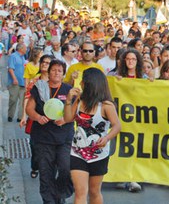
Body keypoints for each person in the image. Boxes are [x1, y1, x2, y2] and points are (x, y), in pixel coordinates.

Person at [62, 68, 121, 203]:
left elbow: (117, 126)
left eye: (84, 80)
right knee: (80, 192)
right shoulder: (79, 100)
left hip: (99, 154)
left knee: (94, 192)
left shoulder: (106, 105)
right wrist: (68, 100)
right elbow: (67, 118)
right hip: (77, 152)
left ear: (90, 83)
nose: (81, 83)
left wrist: (106, 138)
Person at [25, 59, 74, 203]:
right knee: (46, 173)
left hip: (64, 138)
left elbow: (75, 112)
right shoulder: (39, 88)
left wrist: (65, 120)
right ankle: (49, 201)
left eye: (60, 70)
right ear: (48, 71)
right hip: (43, 138)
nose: (56, 73)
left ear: (64, 73)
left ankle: (60, 195)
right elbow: (29, 108)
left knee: (66, 168)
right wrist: (38, 117)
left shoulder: (68, 90)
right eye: (53, 70)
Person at [20, 54, 54, 179]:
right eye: (43, 62)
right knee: (34, 145)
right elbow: (27, 98)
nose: (45, 64)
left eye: (48, 62)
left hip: (51, 120)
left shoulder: (57, 81)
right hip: (35, 117)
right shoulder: (35, 81)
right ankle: (35, 166)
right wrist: (24, 116)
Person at [8, 43, 27, 122]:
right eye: (25, 48)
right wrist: (14, 79)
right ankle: (10, 115)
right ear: (21, 49)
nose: (26, 49)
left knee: (22, 101)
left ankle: (20, 117)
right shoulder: (13, 56)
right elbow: (10, 69)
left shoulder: (23, 57)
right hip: (15, 82)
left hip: (23, 82)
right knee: (13, 100)